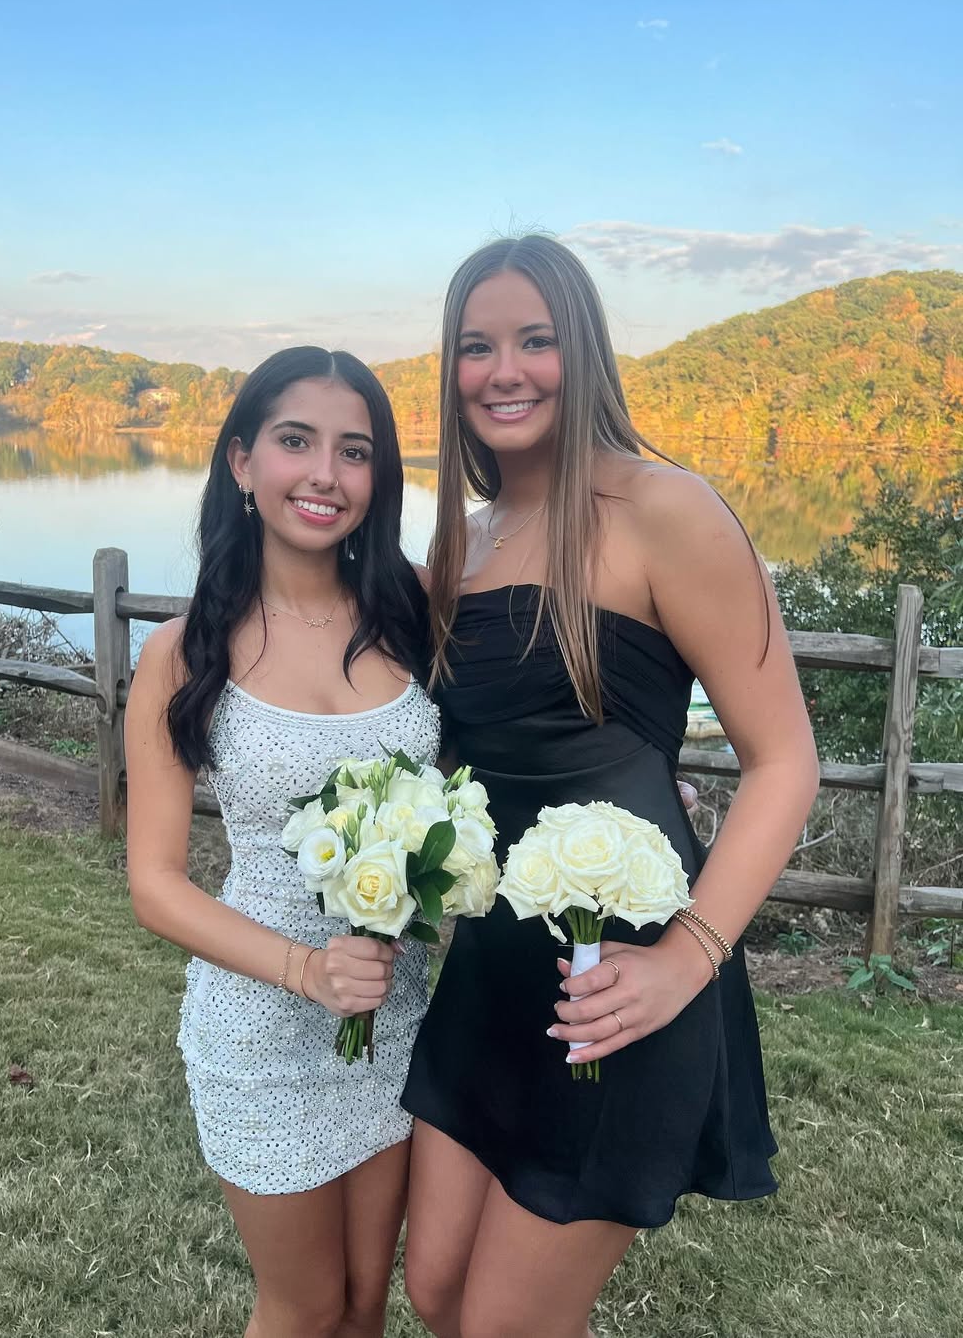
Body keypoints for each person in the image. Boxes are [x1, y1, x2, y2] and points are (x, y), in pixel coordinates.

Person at [401, 236, 821, 1338]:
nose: (504, 370)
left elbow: (786, 760)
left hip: (622, 978)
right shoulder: (459, 547)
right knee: (437, 1291)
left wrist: (687, 955)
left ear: (580, 349)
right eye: (477, 346)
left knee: (503, 1323)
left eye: (534, 340)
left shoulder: (665, 509)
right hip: (490, 970)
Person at [124, 347, 440, 1338]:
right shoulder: (184, 651)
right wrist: (307, 970)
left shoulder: (415, 615)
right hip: (261, 1020)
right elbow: (155, 883)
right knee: (303, 1307)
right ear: (241, 460)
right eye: (296, 441)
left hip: (393, 1009)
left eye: (355, 452)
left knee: (364, 1303)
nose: (325, 475)